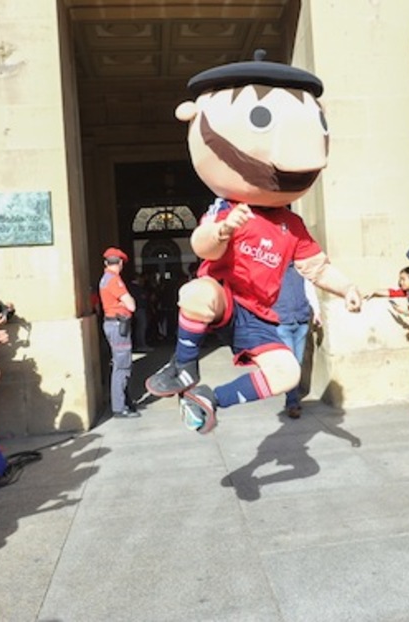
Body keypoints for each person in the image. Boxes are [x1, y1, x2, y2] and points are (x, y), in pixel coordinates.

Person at [145, 50, 362, 434]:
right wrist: (223, 230)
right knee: (195, 293)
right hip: (225, 298)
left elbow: (316, 267)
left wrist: (346, 289)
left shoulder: (291, 224)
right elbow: (202, 246)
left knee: (287, 373)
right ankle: (184, 364)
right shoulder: (228, 208)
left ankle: (211, 399)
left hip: (259, 315)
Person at [272, 262, 321, 419]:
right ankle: (292, 402)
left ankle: (293, 395)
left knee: (298, 362)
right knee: (291, 364)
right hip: (283, 321)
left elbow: (309, 289)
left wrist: (317, 311)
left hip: (301, 320)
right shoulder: (272, 268)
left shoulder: (300, 268)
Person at [99, 247, 138, 419]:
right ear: (121, 263)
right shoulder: (114, 280)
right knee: (122, 365)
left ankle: (124, 402)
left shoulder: (105, 278)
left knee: (119, 363)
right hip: (117, 325)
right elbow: (131, 305)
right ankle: (119, 407)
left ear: (106, 262)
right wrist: (125, 304)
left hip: (112, 324)